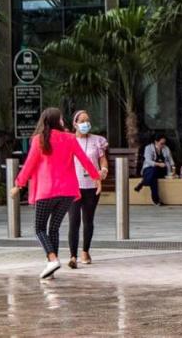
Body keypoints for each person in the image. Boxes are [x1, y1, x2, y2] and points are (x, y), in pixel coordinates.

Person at [10, 107, 100, 279]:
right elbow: (84, 159)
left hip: (46, 191)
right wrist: (96, 177)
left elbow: (29, 164)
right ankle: (52, 268)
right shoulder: (70, 138)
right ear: (56, 121)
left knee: (39, 228)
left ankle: (52, 259)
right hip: (67, 193)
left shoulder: (39, 140)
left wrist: (18, 184)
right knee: (54, 229)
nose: (63, 122)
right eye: (61, 119)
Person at [66, 109, 108, 269]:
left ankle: (85, 251)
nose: (85, 124)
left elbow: (102, 160)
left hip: (91, 185)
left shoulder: (97, 141)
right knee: (73, 220)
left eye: (87, 120)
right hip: (73, 186)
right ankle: (72, 255)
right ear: (75, 124)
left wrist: (103, 170)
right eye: (82, 121)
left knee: (88, 220)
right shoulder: (69, 141)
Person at [134, 133, 174, 205]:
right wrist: (158, 164)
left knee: (153, 173)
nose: (163, 145)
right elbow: (148, 161)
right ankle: (156, 200)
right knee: (153, 175)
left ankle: (144, 182)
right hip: (149, 169)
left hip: (161, 170)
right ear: (156, 142)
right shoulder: (148, 148)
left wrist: (173, 168)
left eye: (164, 143)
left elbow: (170, 159)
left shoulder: (166, 148)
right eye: (161, 143)